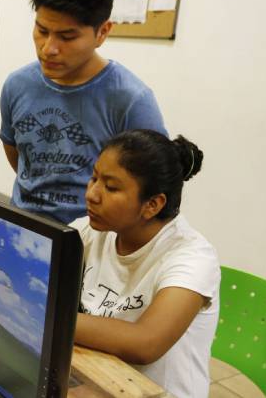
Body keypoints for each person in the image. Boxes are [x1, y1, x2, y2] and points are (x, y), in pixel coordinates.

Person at [0, 0, 167, 224]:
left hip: (91, 241)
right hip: (22, 226)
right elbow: (17, 154)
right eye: (42, 31)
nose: (48, 48)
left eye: (67, 37)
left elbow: (152, 184)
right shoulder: (17, 85)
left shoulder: (131, 100)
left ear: (102, 32)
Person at [72, 130, 219, 398]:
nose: (92, 194)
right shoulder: (90, 232)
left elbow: (145, 342)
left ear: (152, 204)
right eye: (94, 178)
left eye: (111, 187)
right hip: (100, 377)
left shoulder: (192, 258)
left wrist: (44, 314)